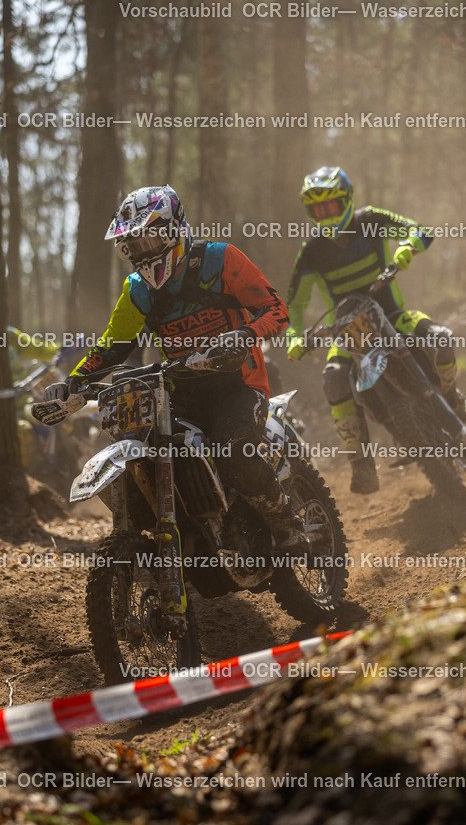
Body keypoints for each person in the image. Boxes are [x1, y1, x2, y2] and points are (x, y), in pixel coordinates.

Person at [44, 184, 305, 550]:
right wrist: (73, 383)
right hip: (178, 392)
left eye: (147, 240)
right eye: (131, 246)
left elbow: (277, 310)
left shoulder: (220, 260)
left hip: (238, 384)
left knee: (235, 452)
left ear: (173, 230)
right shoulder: (138, 288)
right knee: (145, 450)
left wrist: (245, 334)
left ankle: (287, 526)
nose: (141, 252)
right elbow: (112, 347)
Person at [286, 166, 466, 495]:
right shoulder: (312, 250)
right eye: (318, 210)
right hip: (347, 331)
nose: (325, 215)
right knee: (332, 379)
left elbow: (420, 230)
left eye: (331, 206)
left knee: (442, 340)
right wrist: (294, 337)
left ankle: (451, 396)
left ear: (346, 200)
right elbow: (295, 304)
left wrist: (408, 247)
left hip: (392, 314)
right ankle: (361, 463)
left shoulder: (370, 219)